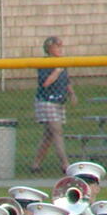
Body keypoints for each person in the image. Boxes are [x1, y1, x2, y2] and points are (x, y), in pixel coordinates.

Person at [29, 36, 75, 175]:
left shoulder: (61, 63)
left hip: (59, 101)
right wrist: (57, 70)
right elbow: (46, 83)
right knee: (57, 131)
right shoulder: (45, 64)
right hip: (46, 100)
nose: (60, 50)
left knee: (48, 135)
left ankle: (35, 164)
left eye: (61, 47)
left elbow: (66, 81)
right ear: (49, 49)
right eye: (57, 47)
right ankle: (65, 164)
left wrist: (72, 93)